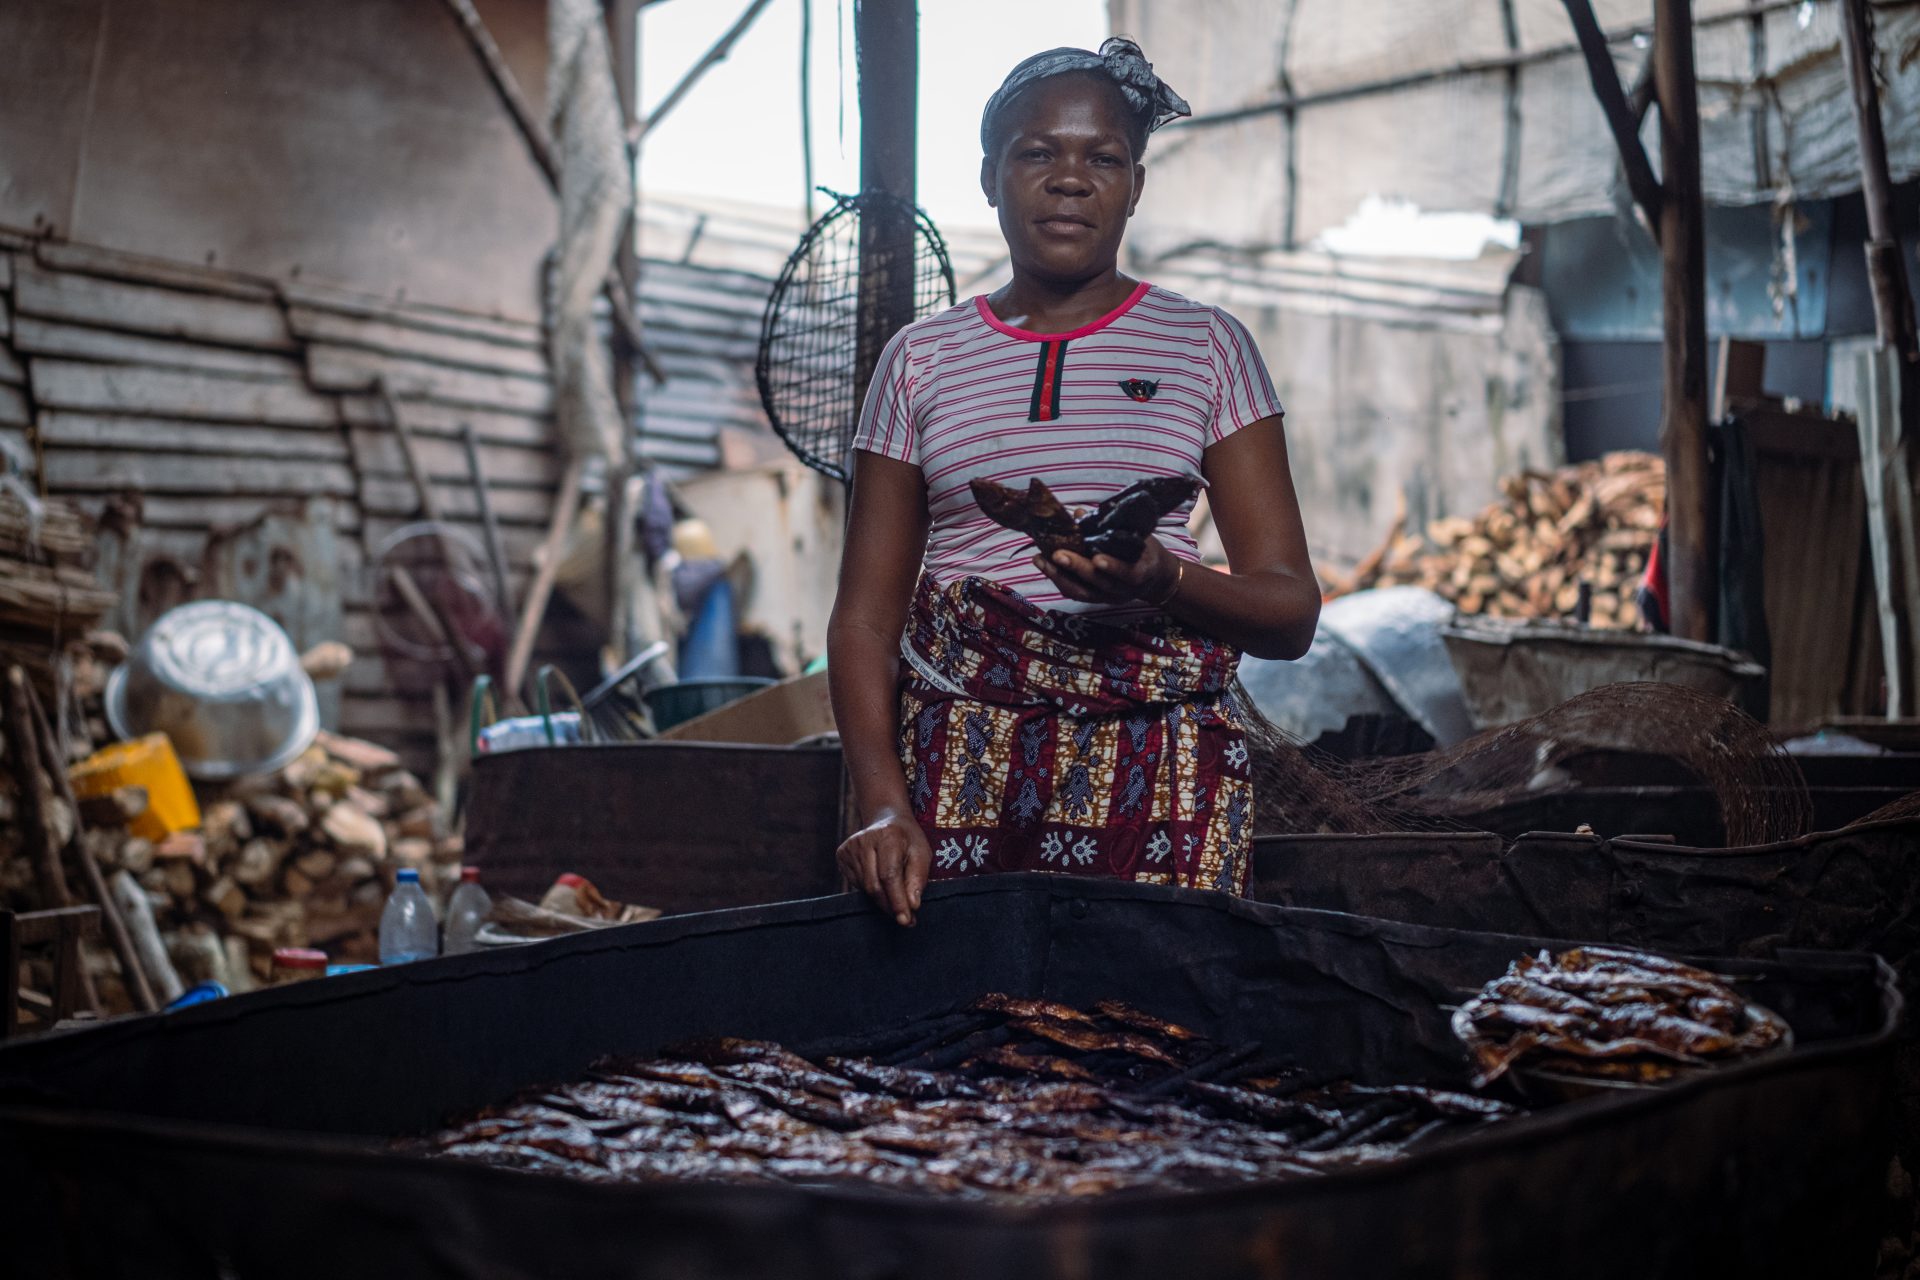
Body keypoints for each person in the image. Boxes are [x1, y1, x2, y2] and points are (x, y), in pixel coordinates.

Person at [828, 37, 1319, 927]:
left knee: (1154, 1037)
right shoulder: (919, 362)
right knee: (962, 1038)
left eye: (1104, 158)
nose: (1070, 179)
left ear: (1135, 185)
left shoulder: (1208, 348)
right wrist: (881, 801)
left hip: (1162, 770)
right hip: (961, 765)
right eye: (1038, 153)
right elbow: (866, 615)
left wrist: (1165, 581)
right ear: (989, 176)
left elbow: (1291, 613)